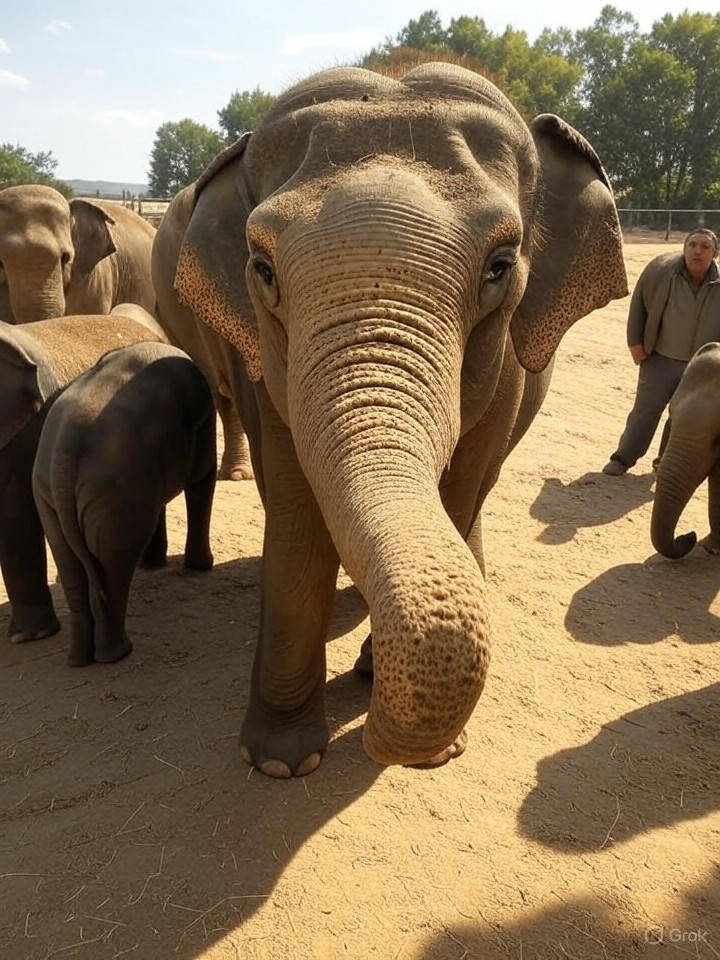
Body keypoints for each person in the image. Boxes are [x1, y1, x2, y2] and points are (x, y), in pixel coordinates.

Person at [602, 227, 720, 476]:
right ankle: (623, 459)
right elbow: (638, 307)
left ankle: (664, 462)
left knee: (682, 417)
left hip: (700, 365)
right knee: (645, 411)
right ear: (684, 248)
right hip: (660, 358)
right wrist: (635, 344)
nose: (697, 251)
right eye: (692, 245)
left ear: (715, 254)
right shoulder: (661, 272)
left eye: (705, 247)